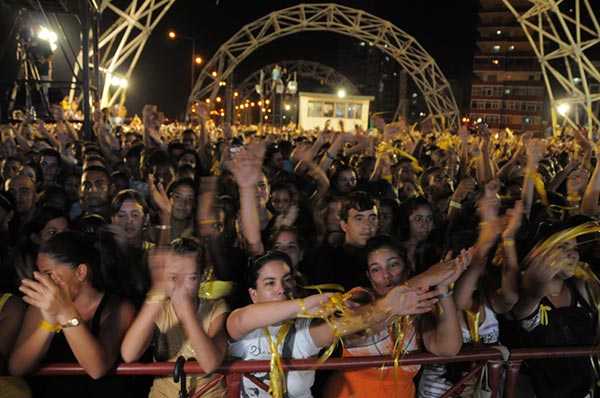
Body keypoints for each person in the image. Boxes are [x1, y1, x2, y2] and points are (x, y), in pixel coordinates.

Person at [227, 250, 440, 398]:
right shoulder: (242, 325)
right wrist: (301, 305)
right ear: (253, 294)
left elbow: (351, 322)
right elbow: (243, 319)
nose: (282, 289)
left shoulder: (304, 329)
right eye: (270, 283)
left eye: (287, 279)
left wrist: (390, 307)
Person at [323, 234, 472, 398]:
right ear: (369, 277)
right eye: (376, 269)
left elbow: (447, 348)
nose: (386, 275)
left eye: (393, 265)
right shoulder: (360, 298)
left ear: (407, 267)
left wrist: (443, 288)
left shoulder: (418, 307)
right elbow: (358, 327)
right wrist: (425, 278)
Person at [8, 230, 136, 398]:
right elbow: (17, 368)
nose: (44, 282)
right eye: (40, 275)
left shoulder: (118, 308)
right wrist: (48, 325)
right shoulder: (41, 307)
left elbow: (97, 368)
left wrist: (66, 313)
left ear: (80, 272)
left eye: (49, 274)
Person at [121, 238, 230, 398]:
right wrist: (158, 291)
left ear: (203, 275)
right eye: (173, 277)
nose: (180, 285)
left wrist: (186, 312)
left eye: (190, 278)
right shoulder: (159, 307)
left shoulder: (216, 308)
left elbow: (210, 364)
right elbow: (129, 354)